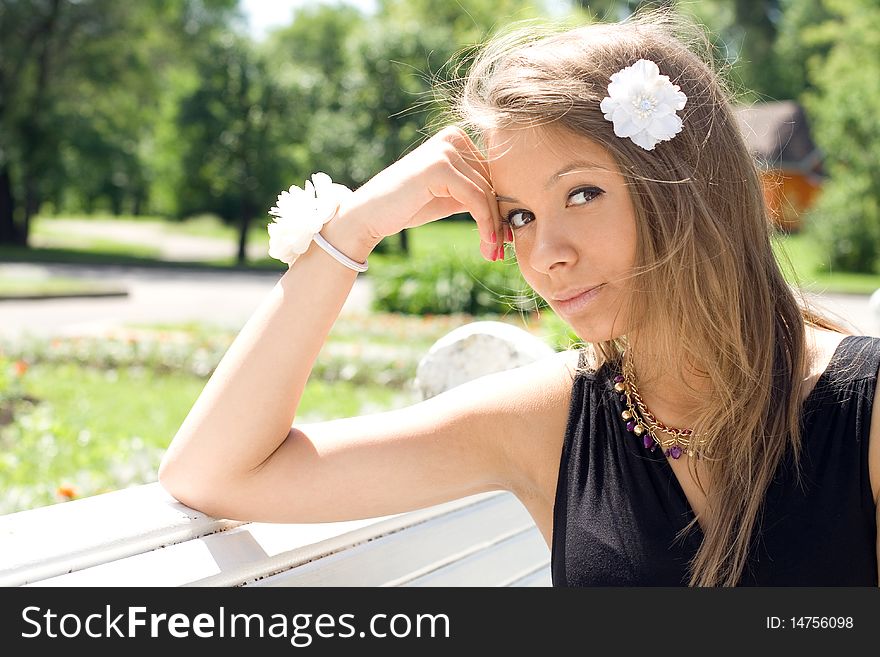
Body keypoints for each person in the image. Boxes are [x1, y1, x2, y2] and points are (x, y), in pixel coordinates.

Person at [158, 9, 880, 587]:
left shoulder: (864, 409)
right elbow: (215, 472)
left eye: (583, 193)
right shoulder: (544, 421)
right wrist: (354, 227)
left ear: (689, 187)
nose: (545, 254)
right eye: (520, 215)